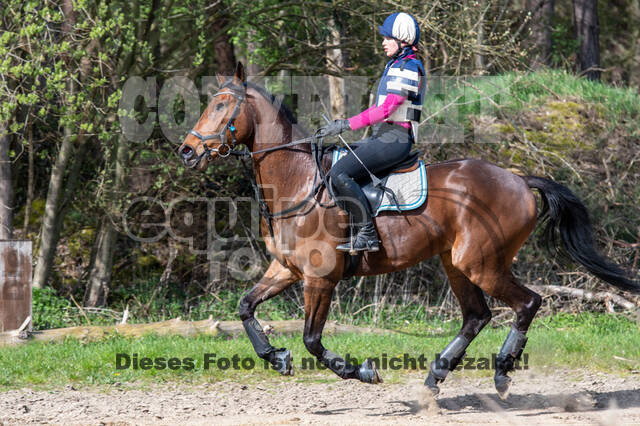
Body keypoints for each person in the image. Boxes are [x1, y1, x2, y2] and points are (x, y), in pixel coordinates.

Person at [320, 12, 426, 252]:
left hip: (395, 139)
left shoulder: (409, 66)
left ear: (402, 40)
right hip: (383, 136)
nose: (383, 42)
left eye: (388, 38)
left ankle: (367, 233)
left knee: (339, 173)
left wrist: (346, 124)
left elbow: (386, 109)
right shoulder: (396, 65)